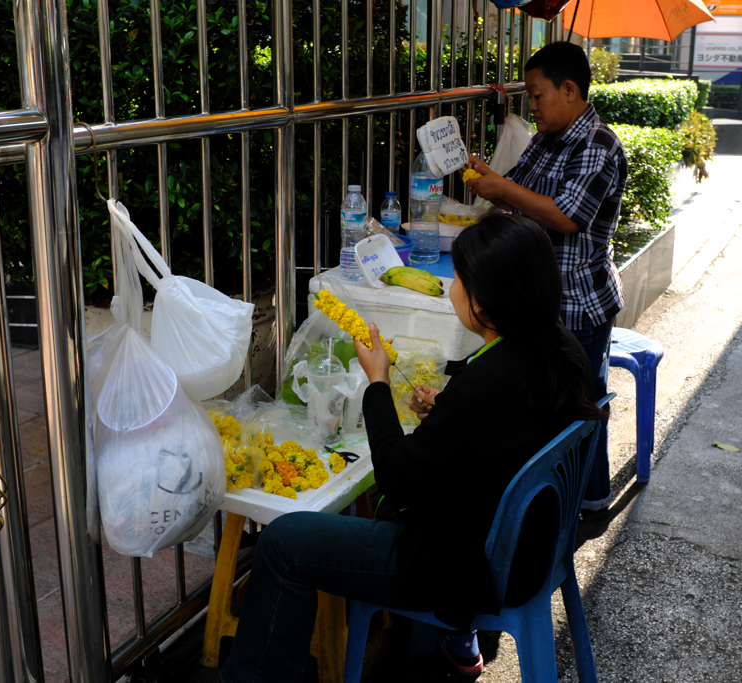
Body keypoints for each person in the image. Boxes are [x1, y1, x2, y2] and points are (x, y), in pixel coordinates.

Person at [220, 215, 603, 683]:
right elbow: (504, 429)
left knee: (282, 543)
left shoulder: (486, 384)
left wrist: (376, 383)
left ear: (484, 301)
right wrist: (447, 412)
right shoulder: (561, 348)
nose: (452, 289)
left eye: (459, 279)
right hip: (534, 548)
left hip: (467, 567)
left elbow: (398, 480)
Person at [463, 40, 627, 514]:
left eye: (537, 95)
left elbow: (567, 216)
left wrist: (503, 187)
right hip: (537, 298)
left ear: (569, 89)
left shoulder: (599, 143)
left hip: (578, 301)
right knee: (541, 409)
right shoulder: (545, 140)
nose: (531, 106)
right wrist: (488, 179)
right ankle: (543, 508)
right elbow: (515, 193)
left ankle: (590, 501)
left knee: (582, 407)